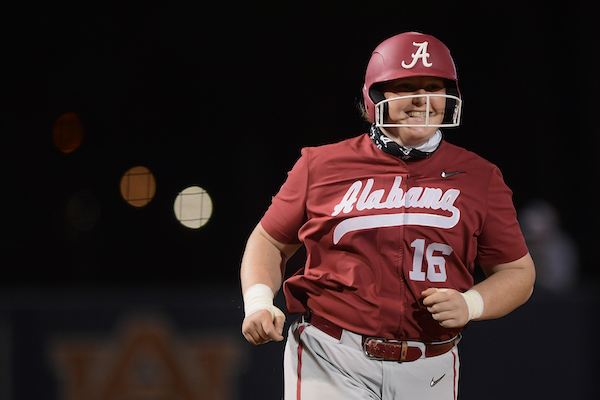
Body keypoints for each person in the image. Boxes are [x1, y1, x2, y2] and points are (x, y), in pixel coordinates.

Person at [240, 31, 535, 400]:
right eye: (404, 87)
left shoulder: (480, 176)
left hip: (432, 363)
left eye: (432, 86)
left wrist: (471, 303)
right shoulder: (321, 164)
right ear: (374, 98)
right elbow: (268, 241)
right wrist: (257, 302)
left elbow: (518, 272)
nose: (421, 100)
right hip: (332, 353)